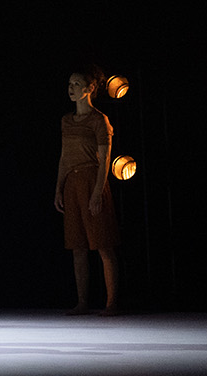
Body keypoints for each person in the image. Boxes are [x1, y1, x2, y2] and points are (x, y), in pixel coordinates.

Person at [56, 67, 121, 315]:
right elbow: (64, 157)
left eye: (76, 83)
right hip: (72, 183)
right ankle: (82, 302)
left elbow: (105, 159)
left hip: (92, 180)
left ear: (90, 88)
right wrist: (58, 188)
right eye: (69, 83)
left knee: (103, 243)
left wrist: (97, 192)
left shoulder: (98, 120)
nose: (71, 88)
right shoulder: (66, 120)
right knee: (77, 246)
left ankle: (112, 302)